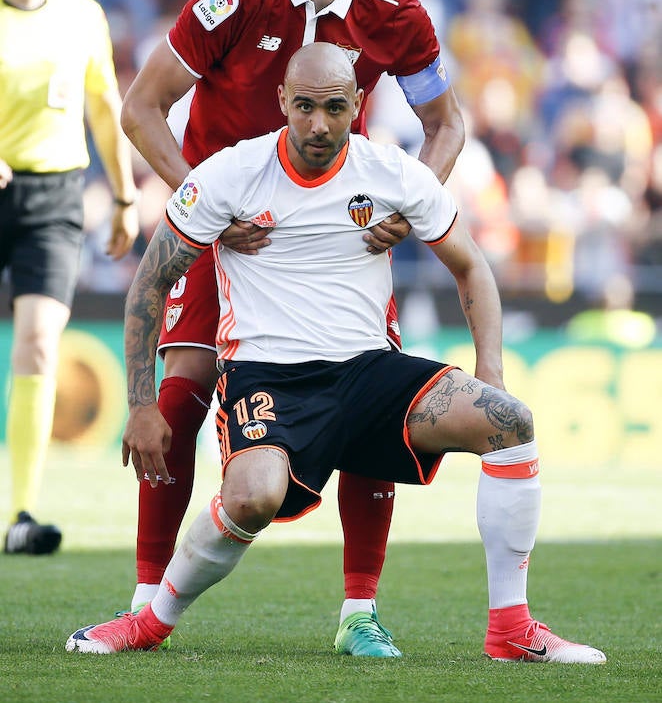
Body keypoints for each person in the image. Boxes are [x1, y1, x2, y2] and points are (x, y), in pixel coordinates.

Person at [66, 43, 606, 664]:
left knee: (511, 423)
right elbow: (150, 284)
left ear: (357, 105)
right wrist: (140, 402)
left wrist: (492, 370)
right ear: (282, 104)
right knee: (251, 497)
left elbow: (472, 269)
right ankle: (151, 621)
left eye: (333, 108)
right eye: (304, 107)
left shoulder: (393, 173)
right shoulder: (228, 174)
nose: (318, 124)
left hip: (370, 371)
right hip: (267, 376)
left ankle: (511, 629)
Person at [118, 0, 465, 655]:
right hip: (226, 226)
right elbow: (144, 108)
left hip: (333, 230)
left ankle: (358, 614)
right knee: (185, 386)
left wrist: (411, 211)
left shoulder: (395, 13)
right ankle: (145, 597)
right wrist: (200, 209)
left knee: (372, 390)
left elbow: (448, 125)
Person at [0, 0, 139, 555]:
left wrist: (123, 196)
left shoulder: (83, 15)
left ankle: (21, 512)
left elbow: (105, 108)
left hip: (53, 198)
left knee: (39, 343)